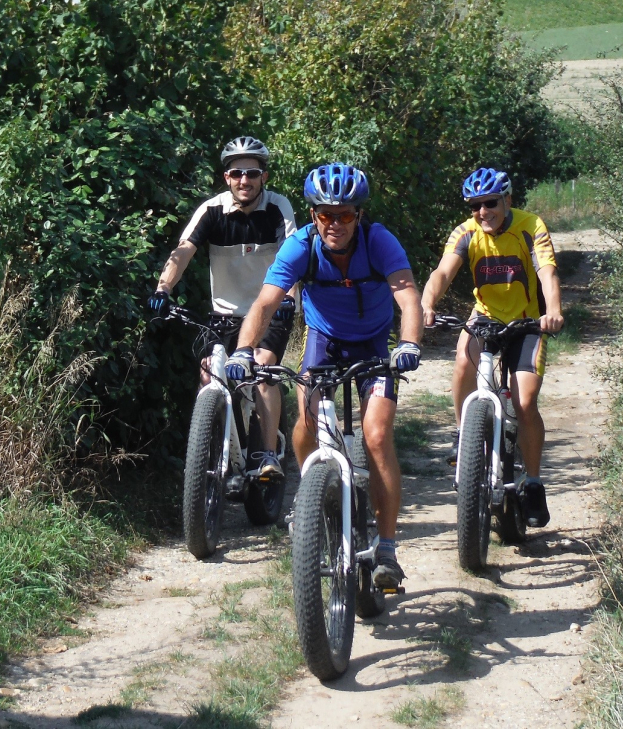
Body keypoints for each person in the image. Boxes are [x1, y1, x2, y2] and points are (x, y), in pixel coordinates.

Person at [225, 163, 423, 589]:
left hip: (373, 344)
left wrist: (408, 344)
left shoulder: (380, 242)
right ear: (314, 216)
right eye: (326, 215)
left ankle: (386, 547)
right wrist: (243, 351)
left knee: (375, 435)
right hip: (324, 342)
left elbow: (408, 299)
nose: (335, 224)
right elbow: (263, 304)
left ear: (359, 215)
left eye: (346, 214)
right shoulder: (300, 245)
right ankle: (311, 493)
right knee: (308, 422)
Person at [421, 167, 564, 528]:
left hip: (528, 320)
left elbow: (547, 272)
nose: (483, 212)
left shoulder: (531, 226)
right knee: (461, 363)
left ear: (507, 201)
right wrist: (427, 303)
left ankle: (533, 482)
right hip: (485, 316)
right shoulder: (466, 233)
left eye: (490, 204)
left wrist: (554, 312)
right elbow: (443, 272)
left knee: (526, 402)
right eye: (475, 206)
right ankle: (462, 434)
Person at [148, 136, 298, 478]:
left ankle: (269, 455)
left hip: (269, 311)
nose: (244, 180)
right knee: (208, 370)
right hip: (224, 315)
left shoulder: (277, 207)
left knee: (261, 370)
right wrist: (163, 288)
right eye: (236, 173)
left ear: (264, 177)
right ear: (226, 177)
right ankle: (212, 450)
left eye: (252, 173)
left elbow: (292, 256)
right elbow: (185, 249)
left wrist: (288, 295)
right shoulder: (212, 209)